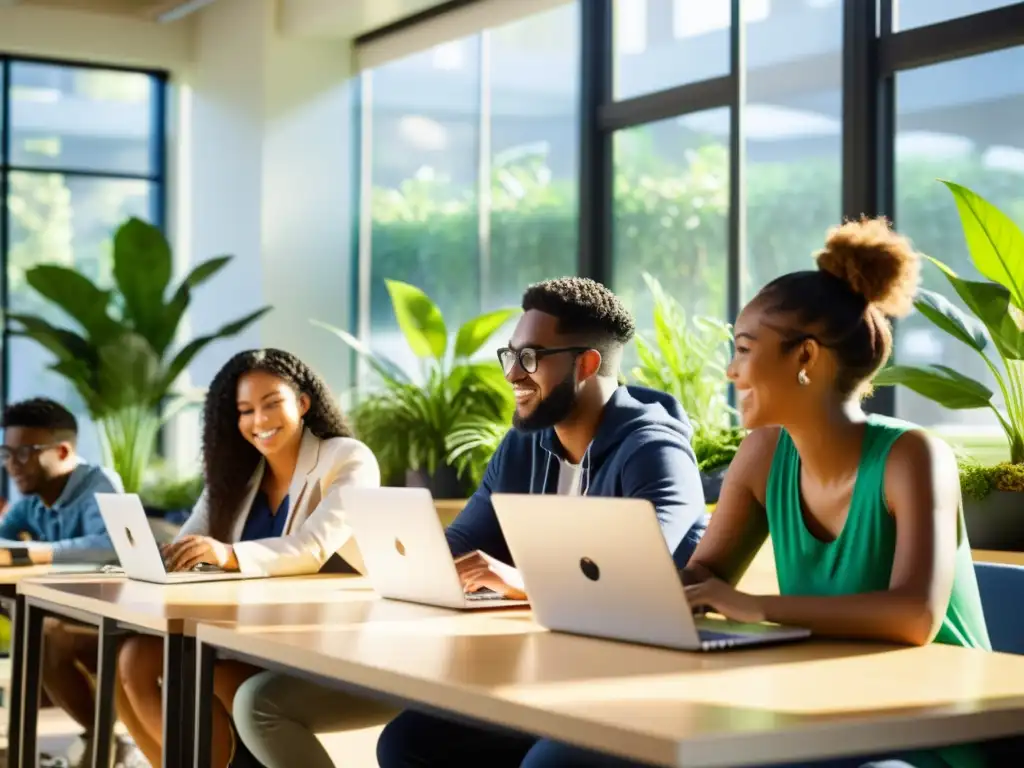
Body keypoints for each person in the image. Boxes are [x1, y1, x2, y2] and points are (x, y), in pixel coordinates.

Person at [511, 218, 998, 768]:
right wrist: (625, 591)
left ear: (806, 357)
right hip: (814, 707)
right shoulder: (764, 455)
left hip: (925, 728)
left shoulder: (912, 456)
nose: (732, 370)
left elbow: (915, 616)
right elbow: (707, 576)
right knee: (563, 758)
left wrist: (755, 607)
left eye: (744, 349)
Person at [362, 276, 708, 767]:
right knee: (405, 743)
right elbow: (464, 542)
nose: (512, 375)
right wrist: (409, 560)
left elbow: (633, 580)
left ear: (586, 364)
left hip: (637, 685)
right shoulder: (525, 444)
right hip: (545, 675)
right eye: (511, 356)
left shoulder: (654, 451)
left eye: (530, 358)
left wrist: (520, 582)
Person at [114, 348, 381, 768]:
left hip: (320, 638)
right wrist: (162, 557)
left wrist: (228, 554)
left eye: (272, 403)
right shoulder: (240, 474)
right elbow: (191, 539)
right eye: (245, 410)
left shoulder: (347, 458)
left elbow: (312, 548)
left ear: (303, 403)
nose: (259, 420)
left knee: (206, 678)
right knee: (129, 659)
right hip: (246, 633)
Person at [0, 398, 139, 767]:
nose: (13, 464)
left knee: (44, 635)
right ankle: (101, 742)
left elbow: (111, 545)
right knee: (39, 629)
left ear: (62, 451)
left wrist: (34, 553)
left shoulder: (100, 484)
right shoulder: (32, 500)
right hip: (63, 616)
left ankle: (108, 742)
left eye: (25, 453)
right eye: (7, 452)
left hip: (121, 624)